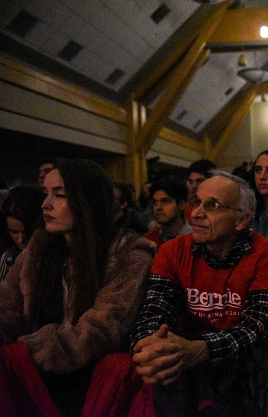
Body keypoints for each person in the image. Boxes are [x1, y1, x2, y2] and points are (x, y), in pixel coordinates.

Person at [0, 158, 155, 416]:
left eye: (59, 195)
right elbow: (7, 306)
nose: (45, 204)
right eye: (45, 193)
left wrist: (25, 351)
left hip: (92, 382)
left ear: (88, 202)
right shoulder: (40, 247)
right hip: (39, 376)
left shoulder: (129, 253)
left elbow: (100, 330)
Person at [130, 171, 268, 416]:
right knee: (168, 374)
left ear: (241, 220)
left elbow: (258, 328)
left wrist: (201, 349)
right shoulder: (171, 251)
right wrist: (149, 349)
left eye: (212, 206)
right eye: (196, 202)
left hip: (243, 364)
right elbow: (153, 313)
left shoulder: (265, 254)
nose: (196, 214)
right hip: (182, 360)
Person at [0, 185, 45, 282]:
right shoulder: (9, 257)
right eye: (14, 232)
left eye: (27, 232)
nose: (21, 239)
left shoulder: (55, 258)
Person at [142, 178, 192, 249]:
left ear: (182, 205)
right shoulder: (149, 239)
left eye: (166, 201)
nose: (158, 207)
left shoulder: (196, 238)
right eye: (155, 202)